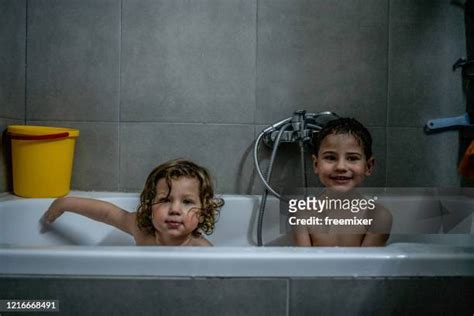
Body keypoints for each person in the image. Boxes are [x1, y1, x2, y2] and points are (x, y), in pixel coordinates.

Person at [41, 159, 224, 246]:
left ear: (202, 213)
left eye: (187, 202)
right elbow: (106, 213)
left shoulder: (200, 249)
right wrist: (64, 203)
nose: (175, 209)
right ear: (149, 205)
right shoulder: (142, 230)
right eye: (165, 200)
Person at [292, 117, 392, 247]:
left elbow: (368, 266)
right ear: (316, 165)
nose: (341, 167)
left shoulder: (378, 217)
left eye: (352, 158)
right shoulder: (302, 215)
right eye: (330, 157)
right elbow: (302, 265)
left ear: (368, 166)